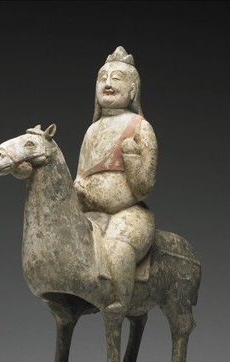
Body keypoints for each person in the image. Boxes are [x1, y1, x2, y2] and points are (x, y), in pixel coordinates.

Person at [74, 46, 157, 313]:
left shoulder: (140, 127)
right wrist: (78, 188)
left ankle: (119, 303)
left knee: (117, 248)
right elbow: (81, 174)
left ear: (132, 91)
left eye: (117, 78)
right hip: (92, 213)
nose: (108, 83)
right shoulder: (92, 131)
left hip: (128, 213)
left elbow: (144, 187)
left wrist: (131, 157)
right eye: (103, 78)